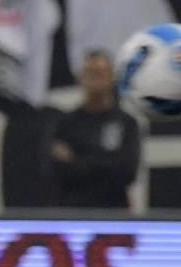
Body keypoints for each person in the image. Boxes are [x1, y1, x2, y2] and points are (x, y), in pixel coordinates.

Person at [49, 50, 141, 208]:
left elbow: (126, 172)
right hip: (73, 211)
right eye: (90, 74)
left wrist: (76, 162)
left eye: (100, 74)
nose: (95, 80)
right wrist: (104, 162)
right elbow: (56, 171)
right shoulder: (65, 123)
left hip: (113, 212)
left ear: (111, 77)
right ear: (80, 78)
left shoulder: (126, 123)